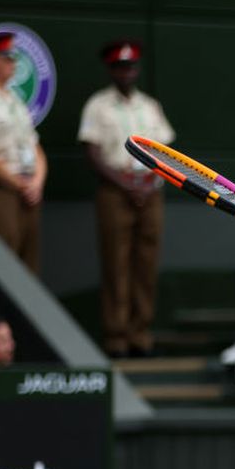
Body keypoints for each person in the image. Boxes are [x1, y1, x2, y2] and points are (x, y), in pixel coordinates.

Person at [78, 39, 176, 358]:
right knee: (116, 262)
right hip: (115, 190)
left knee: (146, 262)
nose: (127, 73)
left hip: (150, 190)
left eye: (131, 67)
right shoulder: (97, 106)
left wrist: (149, 183)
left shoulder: (150, 106)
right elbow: (92, 153)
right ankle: (116, 335)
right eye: (120, 67)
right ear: (111, 70)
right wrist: (125, 183)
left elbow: (165, 150)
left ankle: (140, 333)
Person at [0, 31, 47, 273]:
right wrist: (19, 184)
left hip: (29, 191)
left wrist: (37, 181)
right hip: (4, 191)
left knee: (29, 266)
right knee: (5, 266)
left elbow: (36, 148)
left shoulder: (16, 101)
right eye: (6, 58)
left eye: (13, 58)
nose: (12, 63)